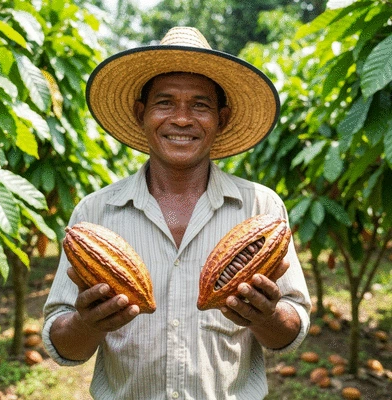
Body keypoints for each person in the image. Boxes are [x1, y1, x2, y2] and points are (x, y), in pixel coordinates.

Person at [42, 26, 311, 399]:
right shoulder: (94, 213)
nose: (182, 119)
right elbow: (64, 347)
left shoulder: (261, 210)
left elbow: (291, 332)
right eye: (165, 102)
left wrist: (268, 318)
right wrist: (87, 324)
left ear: (223, 118)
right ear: (141, 113)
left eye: (200, 105)